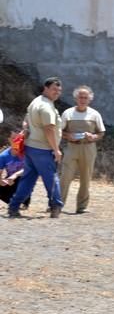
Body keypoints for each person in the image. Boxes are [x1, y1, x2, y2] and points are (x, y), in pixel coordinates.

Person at [8, 77, 64, 218]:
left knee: (27, 179)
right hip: (43, 149)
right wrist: (56, 149)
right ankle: (55, 207)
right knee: (51, 179)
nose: (56, 93)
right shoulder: (46, 106)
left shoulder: (36, 102)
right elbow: (49, 129)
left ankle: (14, 207)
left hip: (31, 147)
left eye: (59, 90)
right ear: (45, 88)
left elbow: (26, 122)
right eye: (53, 89)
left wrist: (27, 130)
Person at [60, 85, 105, 214]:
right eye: (80, 97)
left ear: (89, 99)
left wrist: (93, 136)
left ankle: (82, 207)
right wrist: (68, 136)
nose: (83, 99)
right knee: (65, 177)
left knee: (86, 178)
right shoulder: (68, 113)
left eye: (85, 97)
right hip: (71, 148)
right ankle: (58, 204)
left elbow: (101, 133)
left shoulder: (95, 114)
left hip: (88, 148)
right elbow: (60, 131)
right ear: (76, 98)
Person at [0, 132, 30, 209]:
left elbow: (29, 168)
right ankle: (13, 202)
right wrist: (1, 181)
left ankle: (24, 202)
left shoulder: (27, 152)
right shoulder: (4, 156)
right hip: (10, 180)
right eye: (14, 139)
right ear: (9, 140)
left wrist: (15, 175)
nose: (16, 142)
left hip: (23, 178)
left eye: (19, 139)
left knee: (26, 179)